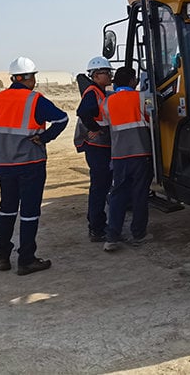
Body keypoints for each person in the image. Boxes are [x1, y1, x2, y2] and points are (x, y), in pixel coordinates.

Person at [0, 56, 68, 275]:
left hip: (5, 164)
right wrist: (45, 137)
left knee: (7, 209)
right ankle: (26, 260)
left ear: (13, 77)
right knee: (29, 212)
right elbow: (62, 119)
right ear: (28, 78)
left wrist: (4, 144)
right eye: (34, 78)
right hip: (31, 162)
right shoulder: (34, 99)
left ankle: (2, 257)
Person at [101, 66, 153, 251]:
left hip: (119, 155)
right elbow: (152, 118)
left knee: (117, 195)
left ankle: (112, 236)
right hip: (141, 153)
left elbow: (104, 123)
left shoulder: (107, 102)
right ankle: (139, 233)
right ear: (132, 81)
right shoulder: (141, 97)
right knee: (139, 194)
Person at [73, 56, 114, 242]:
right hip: (97, 147)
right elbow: (83, 112)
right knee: (99, 186)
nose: (110, 76)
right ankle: (96, 227)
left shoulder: (99, 92)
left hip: (101, 146)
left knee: (101, 185)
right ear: (97, 75)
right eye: (107, 73)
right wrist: (95, 129)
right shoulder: (93, 93)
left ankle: (97, 224)